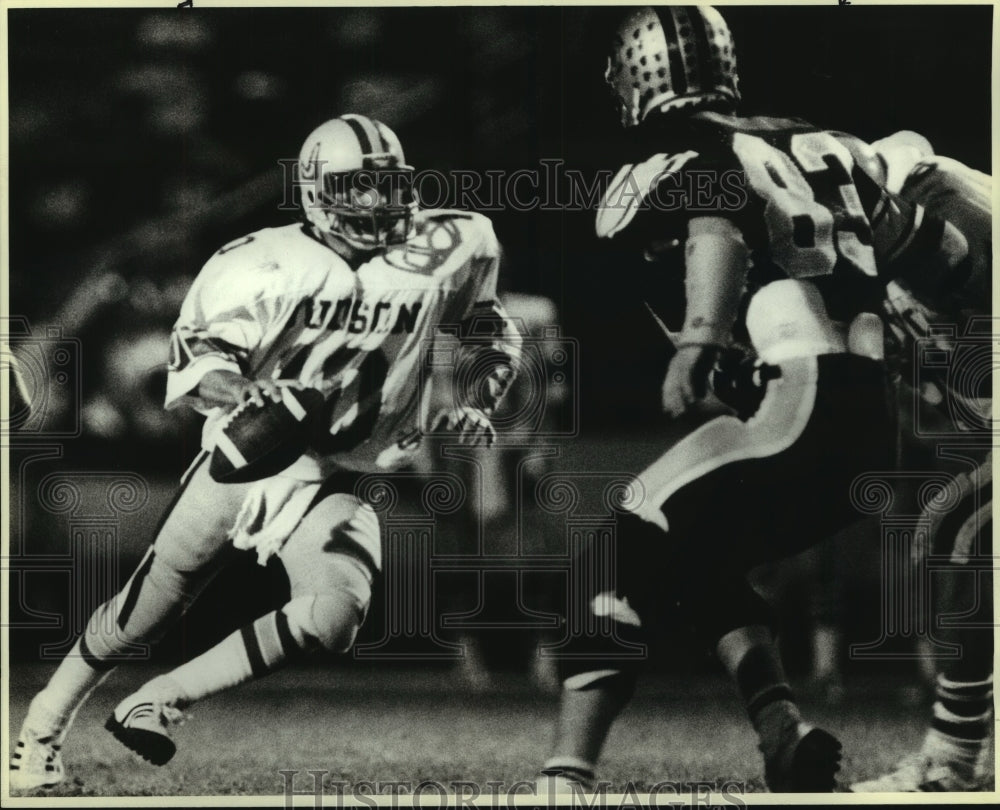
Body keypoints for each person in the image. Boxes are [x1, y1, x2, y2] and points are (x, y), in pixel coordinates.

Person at [10, 113, 521, 790]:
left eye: (385, 185)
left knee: (336, 614)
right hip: (256, 450)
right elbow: (198, 367)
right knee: (145, 609)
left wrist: (478, 400)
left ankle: (157, 701)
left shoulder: (457, 241)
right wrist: (243, 389)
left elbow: (491, 330)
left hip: (341, 469)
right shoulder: (257, 260)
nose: (375, 202)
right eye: (355, 187)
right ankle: (40, 730)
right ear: (315, 190)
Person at [539, 6, 972, 793]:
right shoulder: (823, 142)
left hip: (798, 405)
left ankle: (564, 777)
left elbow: (716, 224)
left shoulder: (690, 153)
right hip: (872, 422)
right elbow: (927, 250)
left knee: (615, 546)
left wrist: (700, 340)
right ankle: (780, 728)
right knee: (695, 555)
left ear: (636, 79)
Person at [851, 132, 992, 792]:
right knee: (954, 533)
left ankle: (955, 757)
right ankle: (960, 751)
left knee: (961, 531)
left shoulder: (950, 206)